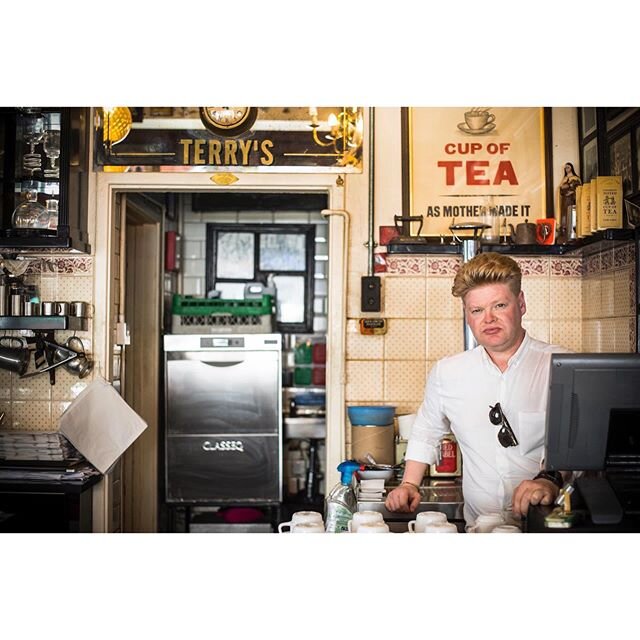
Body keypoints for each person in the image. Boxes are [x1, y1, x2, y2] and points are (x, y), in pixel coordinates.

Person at [384, 252, 570, 526]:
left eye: (499, 305)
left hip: (547, 527)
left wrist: (549, 480)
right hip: (480, 529)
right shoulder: (448, 373)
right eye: (477, 310)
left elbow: (578, 444)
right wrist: (410, 484)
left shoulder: (562, 367)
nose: (489, 319)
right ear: (467, 316)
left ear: (521, 304)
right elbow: (426, 432)